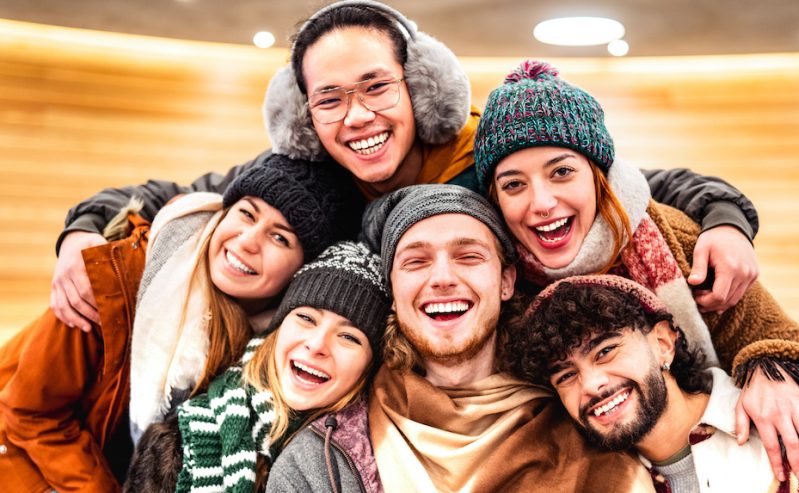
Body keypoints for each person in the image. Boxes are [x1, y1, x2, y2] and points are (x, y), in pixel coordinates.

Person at [52, 0, 760, 335]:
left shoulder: (489, 151)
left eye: (376, 89)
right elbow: (176, 193)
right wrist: (83, 230)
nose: (356, 118)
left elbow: (643, 184)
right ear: (303, 115)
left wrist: (726, 222)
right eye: (329, 99)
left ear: (419, 87)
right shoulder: (309, 169)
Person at [472, 59, 799, 481]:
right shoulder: (499, 280)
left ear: (600, 176)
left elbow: (778, 338)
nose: (542, 202)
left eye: (562, 172)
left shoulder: (672, 238)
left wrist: (768, 372)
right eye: (514, 184)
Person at [269, 185, 656, 493]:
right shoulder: (321, 463)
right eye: (416, 261)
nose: (441, 278)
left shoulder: (592, 418)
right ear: (393, 288)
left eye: (468, 256)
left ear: (506, 281)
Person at [0, 154, 344, 493]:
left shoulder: (276, 347)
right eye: (245, 214)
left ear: (300, 271)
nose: (247, 241)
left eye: (280, 237)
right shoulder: (122, 275)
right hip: (29, 462)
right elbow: (30, 413)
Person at [506, 274, 799, 492]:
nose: (592, 384)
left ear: (663, 344)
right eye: (566, 376)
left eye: (605, 351)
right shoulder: (589, 483)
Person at [124, 241, 389, 493]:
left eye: (349, 337)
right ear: (277, 330)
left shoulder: (372, 462)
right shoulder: (178, 442)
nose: (317, 344)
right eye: (306, 318)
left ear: (368, 367)